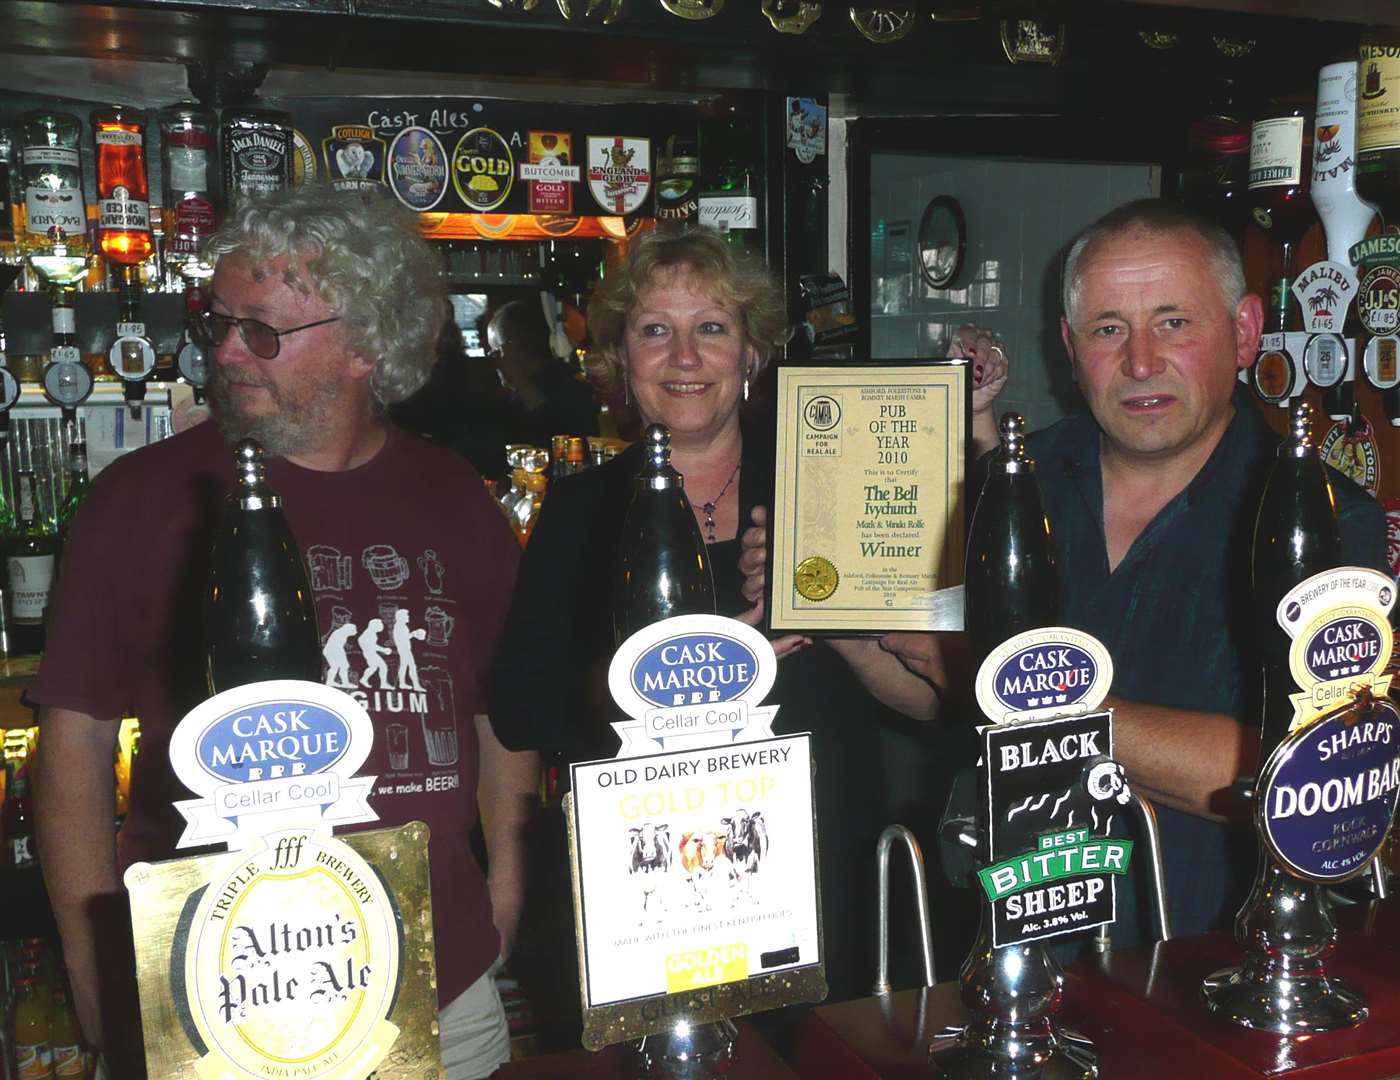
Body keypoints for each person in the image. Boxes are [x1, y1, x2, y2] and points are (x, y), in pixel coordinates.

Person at [742, 198, 1388, 948]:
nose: (1140, 362)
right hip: (1001, 942)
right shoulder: (1016, 482)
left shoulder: (1322, 520)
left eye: (1174, 322)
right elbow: (935, 700)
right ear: (1069, 348)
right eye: (1108, 329)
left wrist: (1031, 695)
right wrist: (837, 617)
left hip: (1194, 959)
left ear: (1244, 332)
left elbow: (1301, 774)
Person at [30, 185, 537, 1080]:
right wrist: (93, 956)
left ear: (366, 344)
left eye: (261, 330)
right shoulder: (146, 499)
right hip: (213, 995)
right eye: (218, 321)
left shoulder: (454, 496)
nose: (227, 352)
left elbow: (502, 712)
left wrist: (502, 880)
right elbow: (73, 737)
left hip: (438, 982)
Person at [486, 225, 1008, 1023]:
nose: (684, 357)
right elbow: (525, 709)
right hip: (651, 890)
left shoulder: (827, 474)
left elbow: (933, 704)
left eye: (712, 329)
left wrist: (823, 609)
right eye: (656, 330)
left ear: (753, 354)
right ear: (622, 358)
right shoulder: (581, 511)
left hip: (828, 875)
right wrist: (691, 673)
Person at [486, 296, 599, 449]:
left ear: (517, 346)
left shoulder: (569, 390)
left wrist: (524, 385)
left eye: (496, 351)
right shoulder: (515, 398)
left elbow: (561, 448)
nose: (494, 360)